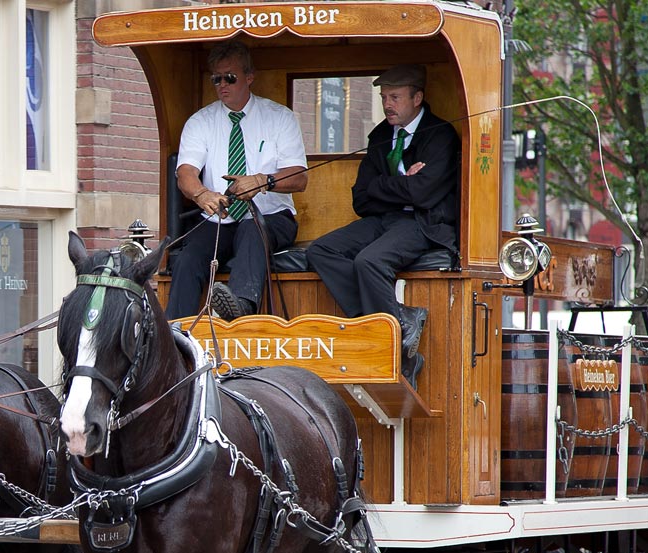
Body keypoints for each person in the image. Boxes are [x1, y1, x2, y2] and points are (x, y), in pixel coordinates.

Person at [306, 64, 460, 390]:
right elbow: (361, 199)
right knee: (321, 250)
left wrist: (386, 186)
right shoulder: (379, 135)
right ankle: (396, 320)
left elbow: (424, 194)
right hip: (384, 219)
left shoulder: (440, 134)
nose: (388, 104)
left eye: (395, 97)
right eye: (383, 97)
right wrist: (402, 183)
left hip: (424, 222)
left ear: (417, 98)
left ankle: (399, 358)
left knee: (370, 261)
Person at [166, 39, 308, 321]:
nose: (222, 85)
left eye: (229, 77)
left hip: (272, 216)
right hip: (220, 217)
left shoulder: (280, 117)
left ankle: (240, 308)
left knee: (252, 229)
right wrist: (202, 194)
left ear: (249, 77)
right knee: (189, 256)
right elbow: (185, 173)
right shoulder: (200, 121)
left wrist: (260, 181)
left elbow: (299, 177)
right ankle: (172, 332)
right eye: (216, 78)